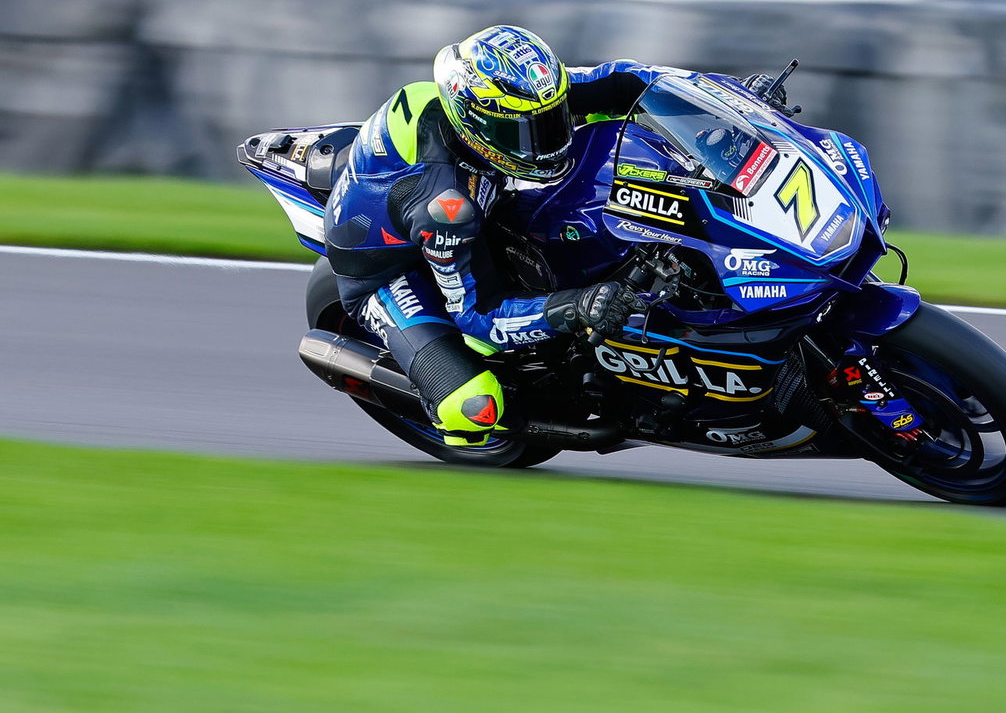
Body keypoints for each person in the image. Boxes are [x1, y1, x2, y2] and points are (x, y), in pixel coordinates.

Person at [323, 25, 788, 447]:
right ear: (476, 124)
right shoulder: (446, 205)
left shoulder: (523, 97)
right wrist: (577, 305)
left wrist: (732, 104)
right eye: (526, 132)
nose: (549, 138)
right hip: (386, 268)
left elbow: (635, 81)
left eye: (550, 119)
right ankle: (437, 390)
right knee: (472, 410)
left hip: (462, 207)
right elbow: (479, 315)